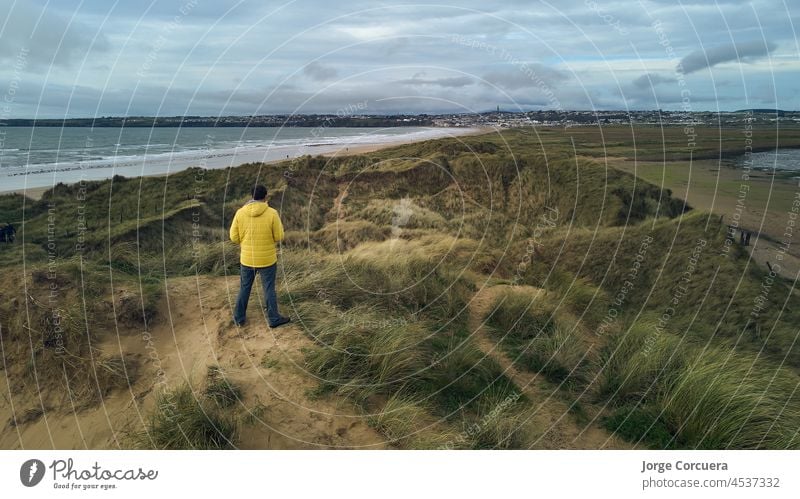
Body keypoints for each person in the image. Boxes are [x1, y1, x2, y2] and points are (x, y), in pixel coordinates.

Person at [229, 185, 290, 328]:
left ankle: (239, 318)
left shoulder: (240, 213)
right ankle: (274, 319)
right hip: (267, 259)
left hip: (247, 259)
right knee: (269, 289)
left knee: (245, 288)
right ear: (265, 197)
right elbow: (279, 236)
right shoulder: (272, 213)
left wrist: (244, 242)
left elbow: (233, 237)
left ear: (252, 196)